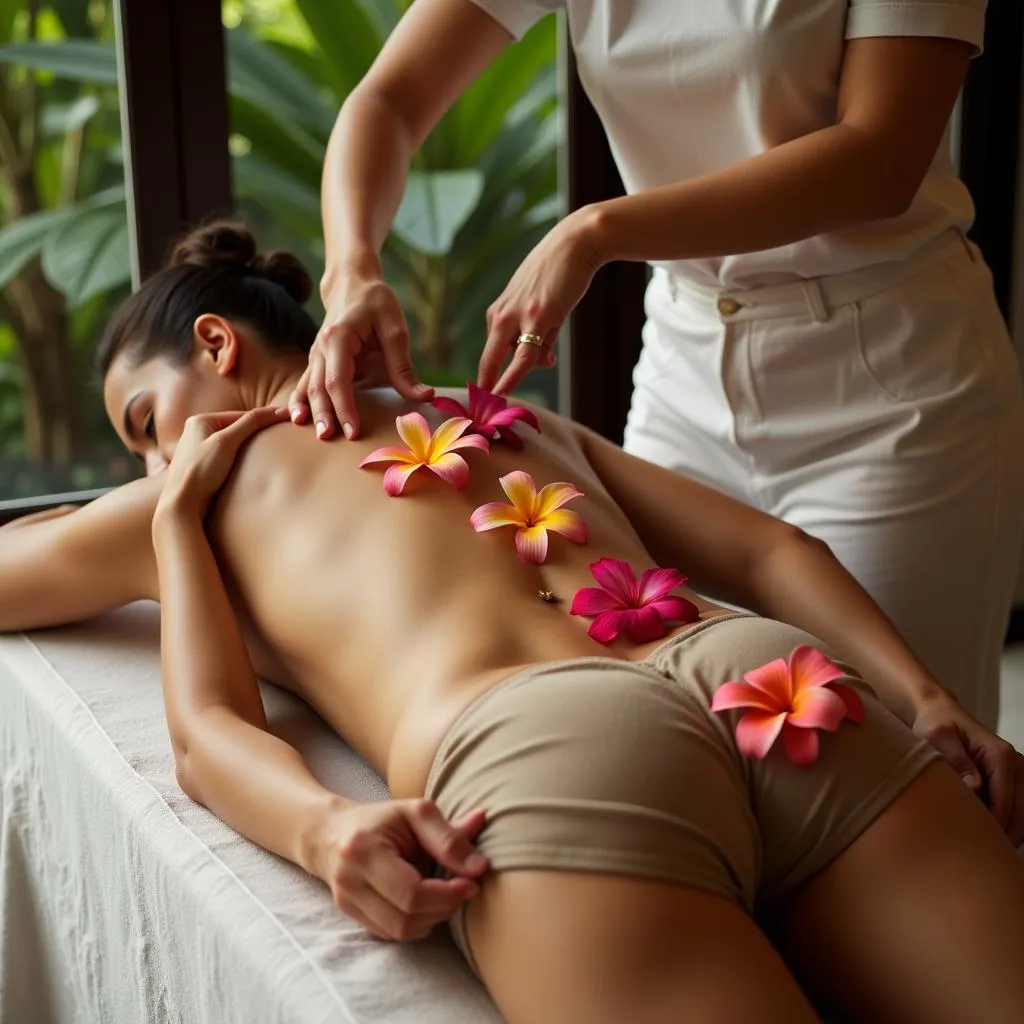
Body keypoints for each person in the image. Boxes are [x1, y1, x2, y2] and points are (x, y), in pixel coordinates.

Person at [4, 222, 1024, 1023]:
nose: (150, 463)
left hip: (548, 749)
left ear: (215, 343)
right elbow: (774, 551)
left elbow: (40, 595)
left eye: (143, 424)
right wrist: (926, 697)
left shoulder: (207, 487)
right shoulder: (498, 413)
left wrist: (324, 830)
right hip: (755, 672)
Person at [294, 0, 1024, 732]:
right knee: (676, 713)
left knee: (914, 749)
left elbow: (881, 157)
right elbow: (388, 99)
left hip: (890, 389)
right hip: (686, 367)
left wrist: (596, 230)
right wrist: (351, 272)